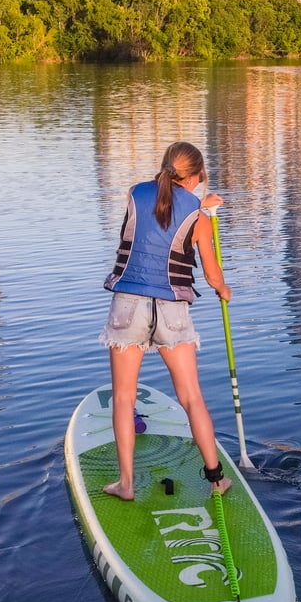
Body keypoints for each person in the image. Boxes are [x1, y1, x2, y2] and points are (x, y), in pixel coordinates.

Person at [99, 141, 233, 501]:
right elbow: (211, 273)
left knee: (124, 399)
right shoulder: (200, 220)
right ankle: (216, 479)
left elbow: (160, 212)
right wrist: (223, 289)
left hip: (127, 305)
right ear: (198, 177)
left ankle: (125, 484)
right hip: (172, 310)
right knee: (191, 398)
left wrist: (198, 205)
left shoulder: (135, 193)